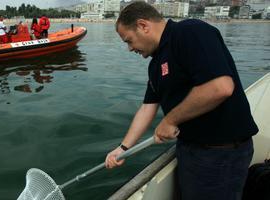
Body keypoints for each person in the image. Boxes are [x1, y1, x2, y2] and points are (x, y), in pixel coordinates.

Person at [104, 2, 258, 200]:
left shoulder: (189, 32)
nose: (129, 48)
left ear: (143, 25)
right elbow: (147, 108)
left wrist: (169, 120)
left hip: (220, 154)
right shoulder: (155, 65)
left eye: (129, 40)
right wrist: (123, 148)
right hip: (189, 150)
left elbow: (220, 87)